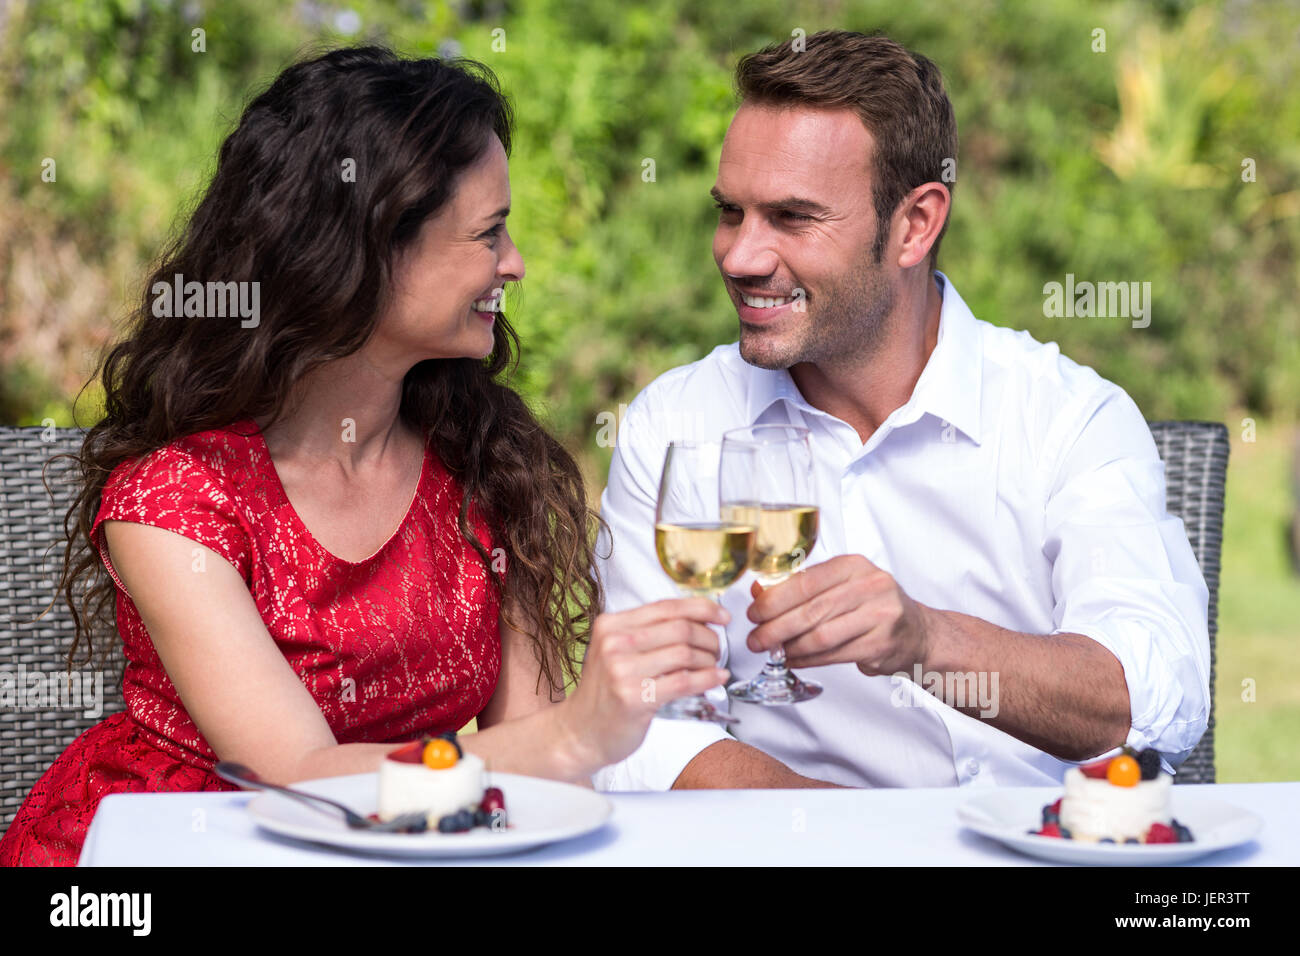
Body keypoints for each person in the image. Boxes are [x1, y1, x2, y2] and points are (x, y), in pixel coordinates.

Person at [0, 46, 727, 866]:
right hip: (180, 854)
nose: (514, 264)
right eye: (489, 233)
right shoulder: (177, 501)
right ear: (369, 252)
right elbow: (301, 778)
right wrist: (574, 735)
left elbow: (533, 757)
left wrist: (572, 739)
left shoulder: (481, 458)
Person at [592, 30, 1211, 791]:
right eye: (731, 212)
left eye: (791, 217)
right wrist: (857, 839)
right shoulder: (676, 425)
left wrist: (928, 638)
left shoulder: (1067, 418)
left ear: (915, 224)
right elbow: (637, 727)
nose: (739, 256)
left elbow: (1157, 696)